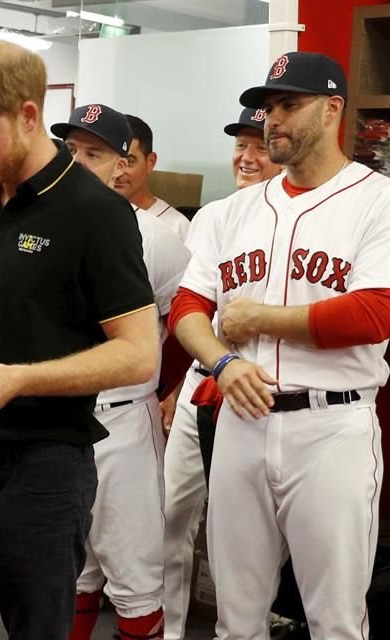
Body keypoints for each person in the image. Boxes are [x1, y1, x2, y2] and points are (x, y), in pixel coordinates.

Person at [0, 40, 159, 640]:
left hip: (48, 462)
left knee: (35, 628)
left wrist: (23, 378)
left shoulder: (96, 213)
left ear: (27, 115)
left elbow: (138, 351)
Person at [168, 51, 390, 639]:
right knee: (235, 621)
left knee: (335, 620)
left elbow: (375, 312)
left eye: (290, 104)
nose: (273, 120)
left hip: (332, 427)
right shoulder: (227, 211)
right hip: (240, 424)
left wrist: (260, 317)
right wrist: (221, 360)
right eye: (269, 107)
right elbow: (189, 311)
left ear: (333, 108)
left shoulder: (378, 200)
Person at [52, 103, 190, 640]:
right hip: (59, 415)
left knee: (133, 579)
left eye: (96, 153)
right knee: (72, 571)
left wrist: (167, 388)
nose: (80, 163)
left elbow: (186, 319)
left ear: (124, 163)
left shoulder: (156, 238)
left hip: (122, 420)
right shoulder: (42, 224)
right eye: (72, 152)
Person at [162, 105, 281, 640]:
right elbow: (187, 310)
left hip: (263, 391)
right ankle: (165, 628)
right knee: (169, 514)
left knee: (256, 532)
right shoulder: (214, 215)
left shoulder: (302, 217)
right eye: (241, 144)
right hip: (202, 380)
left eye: (260, 146)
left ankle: (259, 619)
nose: (247, 156)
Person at [114, 114, 190, 241]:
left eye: (129, 162)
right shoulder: (93, 216)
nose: (118, 172)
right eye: (112, 160)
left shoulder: (177, 227)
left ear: (150, 162)